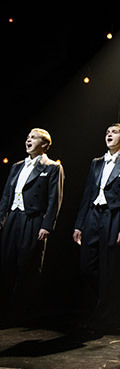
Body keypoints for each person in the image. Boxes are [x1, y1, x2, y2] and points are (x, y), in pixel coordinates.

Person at [73, 123, 120, 331]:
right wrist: (79, 224)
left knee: (110, 268)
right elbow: (87, 194)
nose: (109, 135)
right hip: (93, 216)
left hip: (115, 217)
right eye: (107, 132)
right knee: (87, 267)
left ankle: (101, 318)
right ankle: (104, 304)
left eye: (114, 132)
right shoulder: (96, 162)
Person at [0, 128, 64, 321]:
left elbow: (55, 199)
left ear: (44, 144)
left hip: (33, 218)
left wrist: (47, 225)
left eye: (34, 137)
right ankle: (5, 308)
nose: (28, 140)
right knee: (6, 262)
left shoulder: (52, 167)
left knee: (27, 264)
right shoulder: (17, 166)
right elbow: (6, 196)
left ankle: (23, 311)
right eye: (27, 137)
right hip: (13, 217)